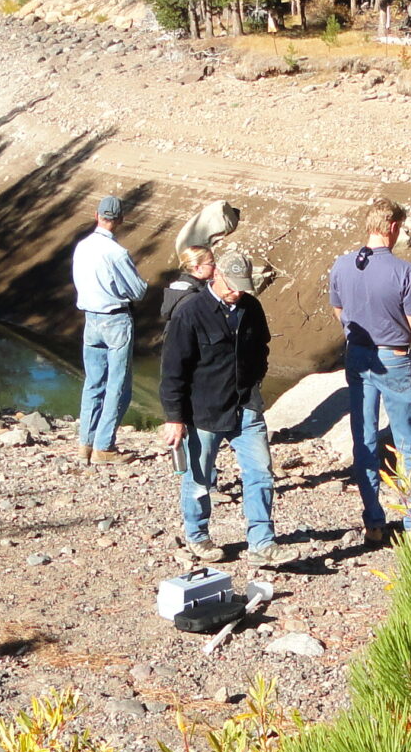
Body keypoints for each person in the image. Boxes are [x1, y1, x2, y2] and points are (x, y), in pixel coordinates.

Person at [328, 197, 411, 542]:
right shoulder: (404, 272)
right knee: (408, 443)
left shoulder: (343, 265)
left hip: (357, 355)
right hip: (393, 357)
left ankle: (374, 522)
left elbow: (339, 313)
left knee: (363, 439)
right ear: (392, 227)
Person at [160, 247, 278, 565]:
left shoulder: (251, 307)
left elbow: (262, 348)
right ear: (217, 274)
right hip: (204, 411)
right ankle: (198, 537)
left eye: (243, 286)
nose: (236, 292)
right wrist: (174, 417)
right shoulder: (190, 312)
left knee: (260, 473)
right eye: (231, 285)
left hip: (246, 405)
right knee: (199, 478)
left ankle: (262, 543)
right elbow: (173, 370)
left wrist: (255, 382)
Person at [70, 194, 147, 463]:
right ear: (120, 220)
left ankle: (85, 443)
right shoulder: (117, 253)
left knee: (93, 383)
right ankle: (104, 446)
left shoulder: (81, 246)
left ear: (97, 216)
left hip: (90, 319)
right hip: (115, 319)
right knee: (118, 385)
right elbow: (137, 291)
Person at [159, 243, 215, 329]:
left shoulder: (181, 290)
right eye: (211, 263)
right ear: (197, 268)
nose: (215, 266)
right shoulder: (192, 297)